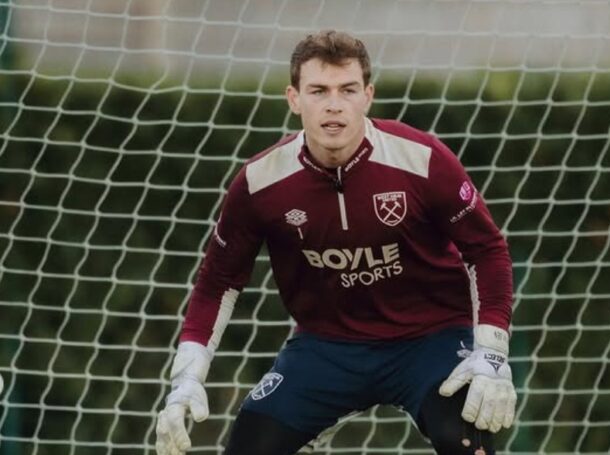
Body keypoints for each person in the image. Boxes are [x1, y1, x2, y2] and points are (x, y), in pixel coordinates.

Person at [156, 30, 516, 455]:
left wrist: (491, 352)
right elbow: (218, 281)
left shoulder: (422, 159)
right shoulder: (259, 182)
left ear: (367, 96)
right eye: (318, 91)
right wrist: (187, 377)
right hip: (327, 348)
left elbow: (486, 250)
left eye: (347, 90)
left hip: (432, 339)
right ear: (294, 99)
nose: (334, 104)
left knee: (467, 440)